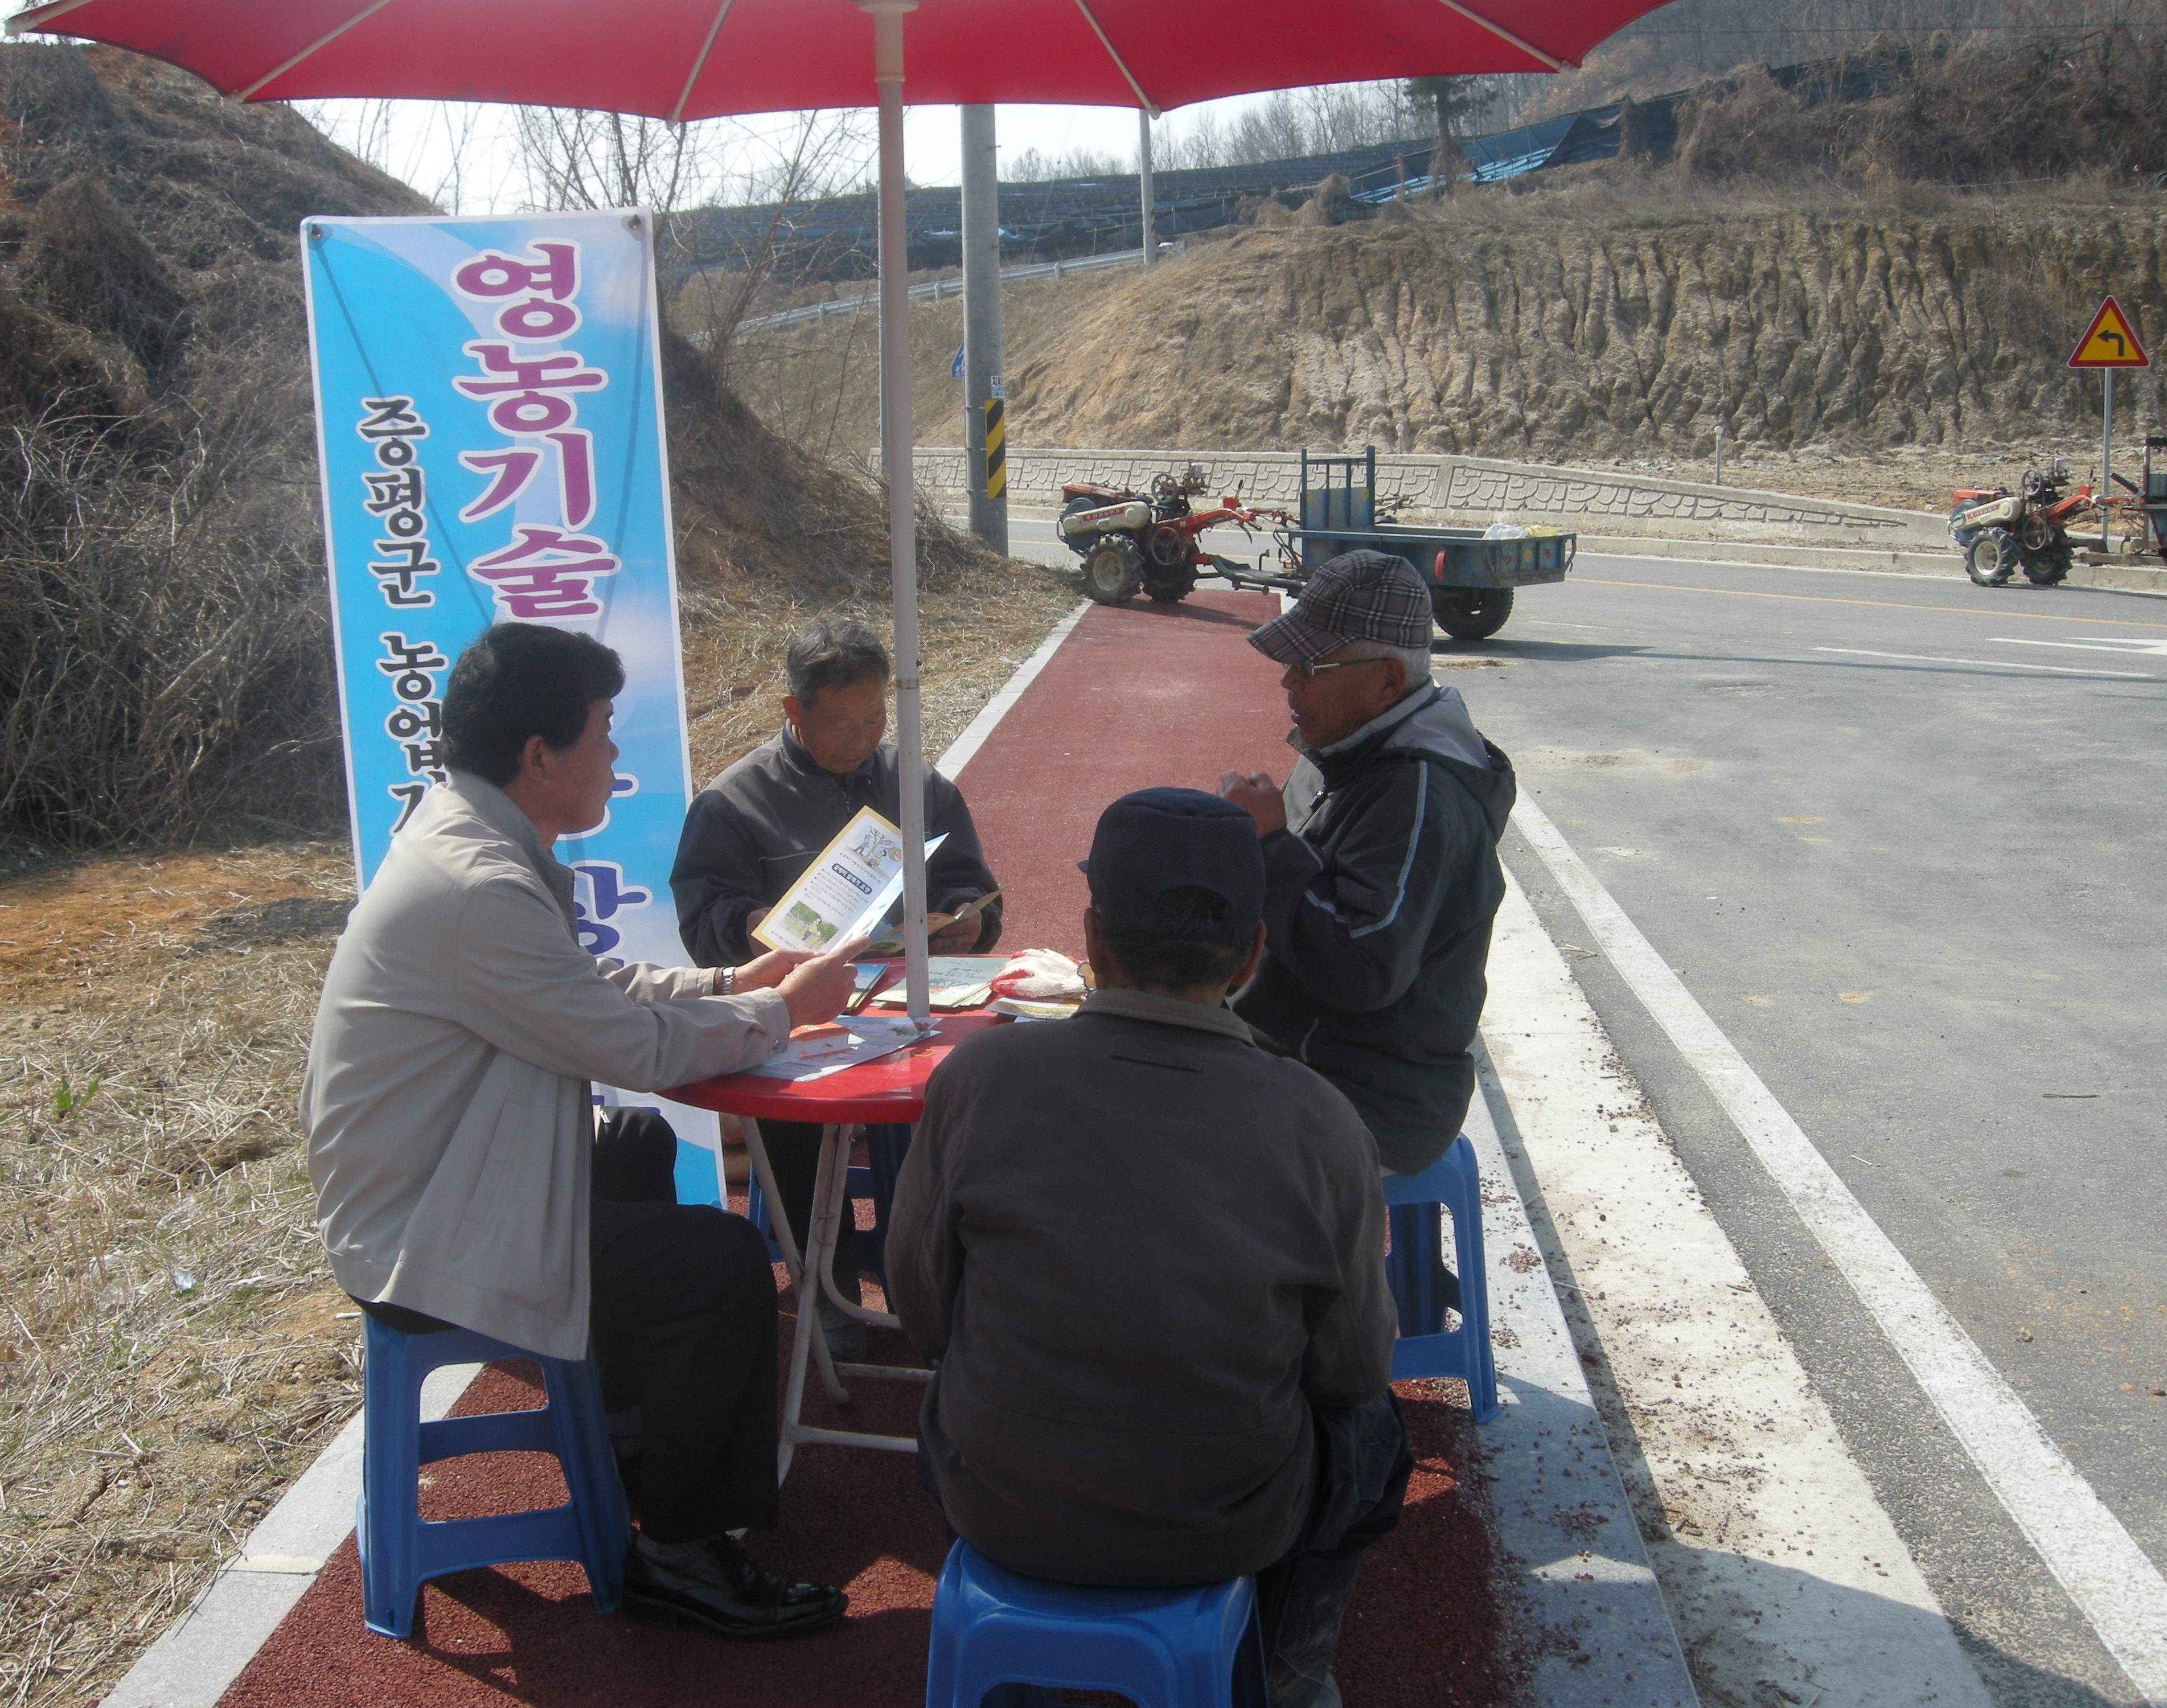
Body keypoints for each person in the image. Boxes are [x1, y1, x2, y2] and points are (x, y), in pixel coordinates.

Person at [302, 622, 861, 1643]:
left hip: (444, 1174)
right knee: (720, 1262)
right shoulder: (478, 885)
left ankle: (631, 1431)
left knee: (640, 1151)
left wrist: (736, 981)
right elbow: (629, 1045)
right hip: (424, 1228)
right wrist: (788, 1013)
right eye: (604, 733)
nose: (615, 756)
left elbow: (584, 992)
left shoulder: (472, 842)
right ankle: (682, 1552)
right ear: (538, 756)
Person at [888, 789, 1408, 1708]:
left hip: (997, 1501)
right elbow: (1352, 1368)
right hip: (1226, 1524)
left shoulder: (978, 1080)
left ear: (1091, 940)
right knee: (1373, 1434)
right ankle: (1283, 1678)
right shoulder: (1319, 1121)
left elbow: (922, 1310)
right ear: (1252, 953)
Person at [670, 617, 1002, 1354]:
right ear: (793, 711)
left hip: (912, 1004)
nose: (861, 739)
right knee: (791, 1109)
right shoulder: (734, 802)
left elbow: (972, 889)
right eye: (840, 724)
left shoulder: (914, 783)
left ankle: (933, 1279)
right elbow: (703, 917)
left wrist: (965, 924)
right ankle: (827, 1292)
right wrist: (757, 923)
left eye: (875, 719)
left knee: (969, 1092)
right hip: (797, 1013)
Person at [1219, 551, 1516, 1179]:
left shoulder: (1419, 793)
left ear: (1386, 680)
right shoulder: (1348, 752)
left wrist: (1270, 846)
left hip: (1368, 1099)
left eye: (1311, 664)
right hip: (1290, 1061)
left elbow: (1363, 968)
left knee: (1141, 1148)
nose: (1288, 682)